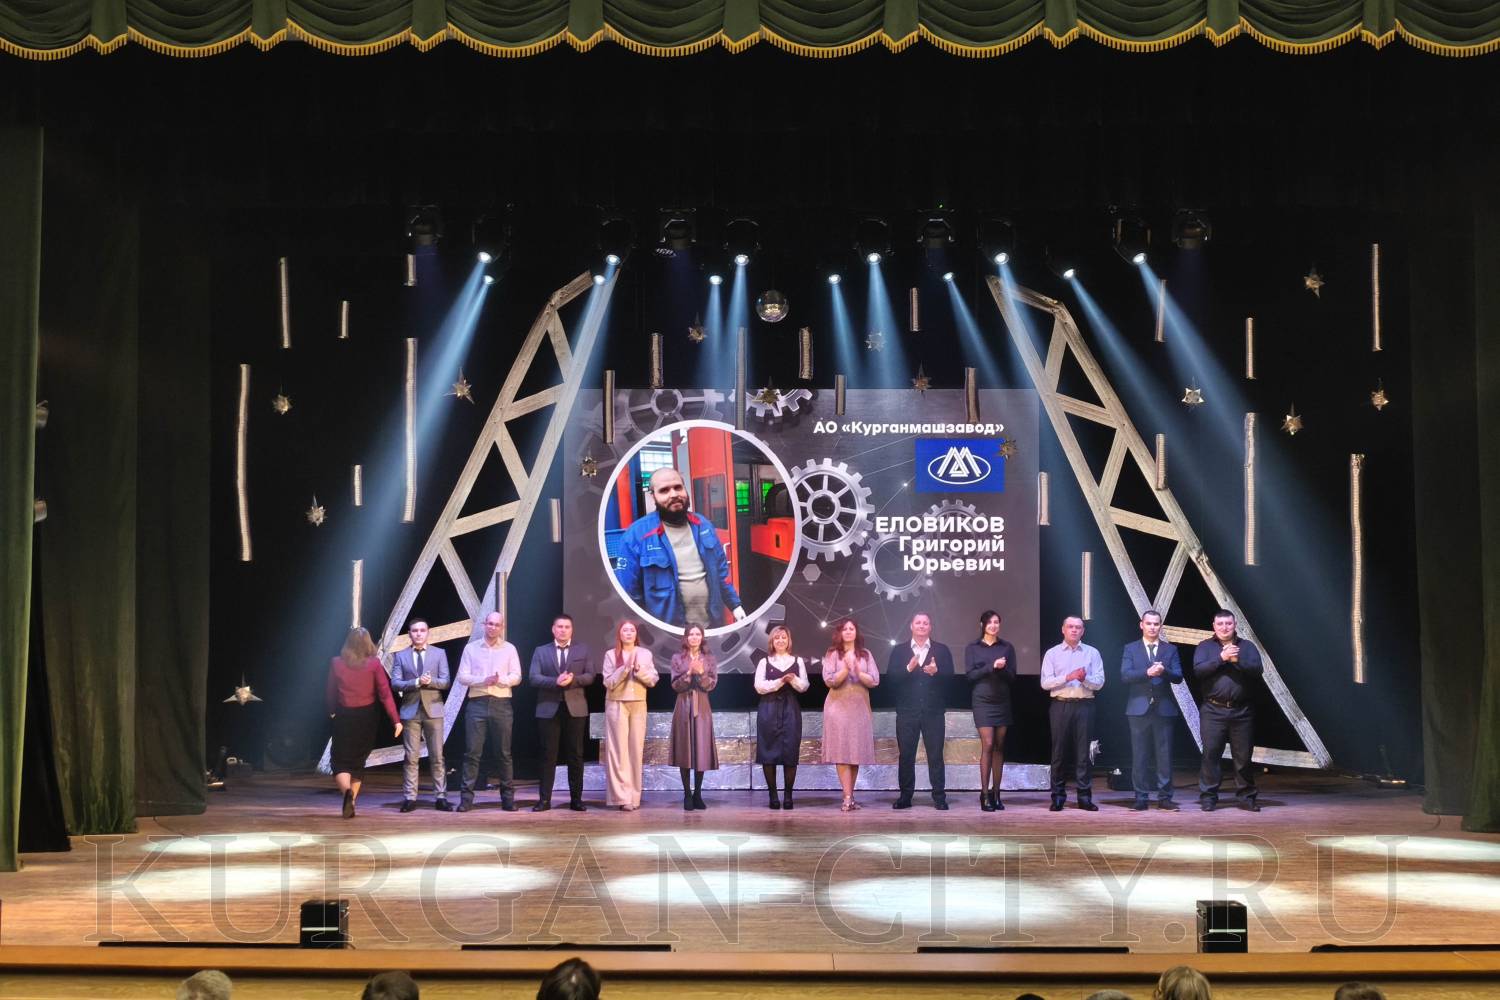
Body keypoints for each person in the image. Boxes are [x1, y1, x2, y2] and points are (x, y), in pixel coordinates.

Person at [612, 466, 746, 627]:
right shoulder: (635, 536)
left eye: (678, 487)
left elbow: (721, 573)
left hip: (711, 626)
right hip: (668, 633)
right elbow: (629, 594)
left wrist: (735, 605)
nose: (674, 494)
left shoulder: (703, 525)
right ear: (653, 496)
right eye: (664, 490)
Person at [326, 626, 401, 819]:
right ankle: (351, 801)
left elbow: (331, 692)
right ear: (368, 643)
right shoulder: (374, 664)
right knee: (358, 762)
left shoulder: (336, 663)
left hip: (344, 716)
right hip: (367, 718)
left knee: (339, 761)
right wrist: (396, 721)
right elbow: (385, 694)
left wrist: (332, 711)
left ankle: (347, 794)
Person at [1193, 608, 1264, 812]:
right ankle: (1209, 797)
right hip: (1213, 710)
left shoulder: (1247, 646)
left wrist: (1237, 660)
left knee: (1243, 757)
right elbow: (1198, 671)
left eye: (1228, 623)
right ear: (1214, 626)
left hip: (1242, 711)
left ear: (1235, 625)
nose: (1225, 627)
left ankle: (1246, 797)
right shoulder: (1205, 647)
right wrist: (1221, 658)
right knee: (1211, 754)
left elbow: (1257, 670)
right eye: (1220, 624)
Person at [455, 611, 522, 812]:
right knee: (472, 753)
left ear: (502, 627)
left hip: (501, 703)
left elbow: (517, 676)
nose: (492, 627)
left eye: (496, 624)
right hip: (477, 703)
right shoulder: (471, 649)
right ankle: (466, 800)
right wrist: (483, 680)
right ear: (484, 625)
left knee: (503, 754)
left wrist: (500, 680)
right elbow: (462, 676)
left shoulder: (509, 649)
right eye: (490, 623)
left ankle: (508, 799)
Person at [530, 613, 597, 812]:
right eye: (559, 626)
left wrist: (573, 680)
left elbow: (590, 675)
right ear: (553, 629)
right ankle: (544, 800)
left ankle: (576, 800)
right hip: (548, 708)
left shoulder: (583, 649)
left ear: (572, 630)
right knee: (547, 755)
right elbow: (533, 677)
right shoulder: (541, 651)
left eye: (567, 627)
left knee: (575, 755)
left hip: (575, 708)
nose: (563, 630)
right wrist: (555, 681)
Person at [887, 612, 954, 810]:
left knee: (935, 755)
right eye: (918, 622)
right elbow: (891, 679)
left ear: (930, 627)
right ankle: (905, 796)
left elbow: (950, 678)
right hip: (907, 711)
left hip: (934, 711)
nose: (922, 626)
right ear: (911, 626)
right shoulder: (900, 650)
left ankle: (939, 797)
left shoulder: (941, 650)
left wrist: (937, 672)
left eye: (925, 623)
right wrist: (908, 668)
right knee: (906, 755)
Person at [1121, 608, 1185, 811]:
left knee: (1164, 756)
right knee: (1140, 755)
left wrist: (1164, 671)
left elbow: (1178, 676)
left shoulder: (1170, 649)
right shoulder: (1131, 648)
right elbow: (1125, 675)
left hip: (1163, 709)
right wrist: (1147, 672)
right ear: (1142, 625)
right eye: (1148, 623)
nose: (1152, 627)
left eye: (1156, 624)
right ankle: (1141, 797)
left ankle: (1165, 797)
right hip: (1138, 709)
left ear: (1160, 626)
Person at [1040, 615, 1105, 811]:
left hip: (1085, 705)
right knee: (1059, 753)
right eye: (1070, 627)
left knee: (1084, 754)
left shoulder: (1092, 653)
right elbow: (1045, 683)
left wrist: (1084, 679)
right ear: (1063, 629)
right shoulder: (1052, 653)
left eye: (1078, 627)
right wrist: (1067, 677)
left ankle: (1084, 797)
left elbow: (1100, 682)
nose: (1074, 630)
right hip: (1060, 705)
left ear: (1083, 631)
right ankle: (1058, 797)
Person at [389, 617, 451, 813]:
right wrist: (416, 682)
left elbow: (445, 682)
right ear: (409, 634)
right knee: (411, 757)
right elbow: (395, 683)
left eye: (422, 630)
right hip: (411, 710)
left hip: (434, 710)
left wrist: (429, 682)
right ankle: (410, 798)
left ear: (428, 632)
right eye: (415, 631)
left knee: (437, 756)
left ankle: (440, 797)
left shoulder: (439, 653)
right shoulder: (401, 656)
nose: (418, 634)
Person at [822, 617, 879, 812]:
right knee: (842, 753)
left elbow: (874, 680)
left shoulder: (866, 654)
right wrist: (846, 668)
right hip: (837, 708)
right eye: (845, 629)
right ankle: (847, 797)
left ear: (856, 632)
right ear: (840, 633)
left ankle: (850, 796)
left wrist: (857, 670)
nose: (848, 631)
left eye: (851, 628)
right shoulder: (832, 653)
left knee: (855, 753)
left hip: (859, 708)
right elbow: (830, 680)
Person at [602, 619, 658, 810]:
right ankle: (622, 797)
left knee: (635, 750)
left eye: (631, 630)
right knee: (618, 752)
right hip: (616, 704)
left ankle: (634, 797)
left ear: (636, 634)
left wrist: (639, 671)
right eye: (625, 630)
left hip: (638, 704)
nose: (628, 633)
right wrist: (624, 669)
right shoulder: (611, 655)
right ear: (619, 634)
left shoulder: (645, 654)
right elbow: (608, 682)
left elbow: (653, 680)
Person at [965, 609, 1018, 811]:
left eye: (996, 622)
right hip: (982, 701)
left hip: (1002, 701)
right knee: (987, 744)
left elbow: (1012, 677)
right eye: (990, 622)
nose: (993, 625)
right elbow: (970, 676)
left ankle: (996, 793)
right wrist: (991, 667)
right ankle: (984, 794)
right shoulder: (973, 647)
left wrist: (1002, 669)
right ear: (982, 625)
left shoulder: (1007, 647)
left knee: (999, 746)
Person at [752, 624, 810, 809]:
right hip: (768, 708)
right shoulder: (764, 661)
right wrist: (779, 681)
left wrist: (792, 680)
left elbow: (804, 686)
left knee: (790, 751)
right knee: (768, 751)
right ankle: (773, 795)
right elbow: (759, 686)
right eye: (777, 638)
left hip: (790, 708)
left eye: (783, 637)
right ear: (772, 641)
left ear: (788, 640)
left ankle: (788, 795)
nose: (780, 640)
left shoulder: (797, 661)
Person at [670, 622, 719, 811]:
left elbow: (711, 684)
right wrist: (689, 673)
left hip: (702, 705)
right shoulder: (677, 658)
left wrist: (701, 674)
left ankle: (698, 793)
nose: (694, 637)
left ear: (702, 637)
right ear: (686, 637)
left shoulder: (709, 658)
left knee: (701, 749)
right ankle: (687, 794)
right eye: (691, 634)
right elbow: (675, 685)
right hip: (683, 704)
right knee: (685, 749)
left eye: (698, 634)